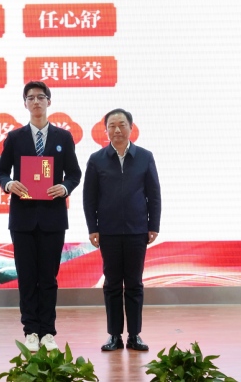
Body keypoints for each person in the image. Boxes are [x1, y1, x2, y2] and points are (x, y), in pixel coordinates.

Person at [0, 81, 81, 352]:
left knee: (49, 278)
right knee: (27, 277)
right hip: (23, 219)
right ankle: (31, 330)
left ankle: (48, 332)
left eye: (40, 97)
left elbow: (74, 174)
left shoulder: (63, 137)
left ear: (48, 102)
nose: (36, 102)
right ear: (25, 104)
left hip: (53, 218)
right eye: (30, 98)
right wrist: (9, 184)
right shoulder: (15, 138)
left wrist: (64, 187)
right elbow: (0, 172)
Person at [83, 108, 161, 352]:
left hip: (138, 230)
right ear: (106, 130)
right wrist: (93, 228)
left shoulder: (145, 157)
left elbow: (154, 194)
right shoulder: (96, 159)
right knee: (113, 284)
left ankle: (135, 335)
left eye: (122, 125)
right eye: (112, 126)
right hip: (109, 231)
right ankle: (114, 335)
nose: (117, 130)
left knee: (135, 284)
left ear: (131, 128)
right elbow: (89, 198)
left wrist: (153, 225)